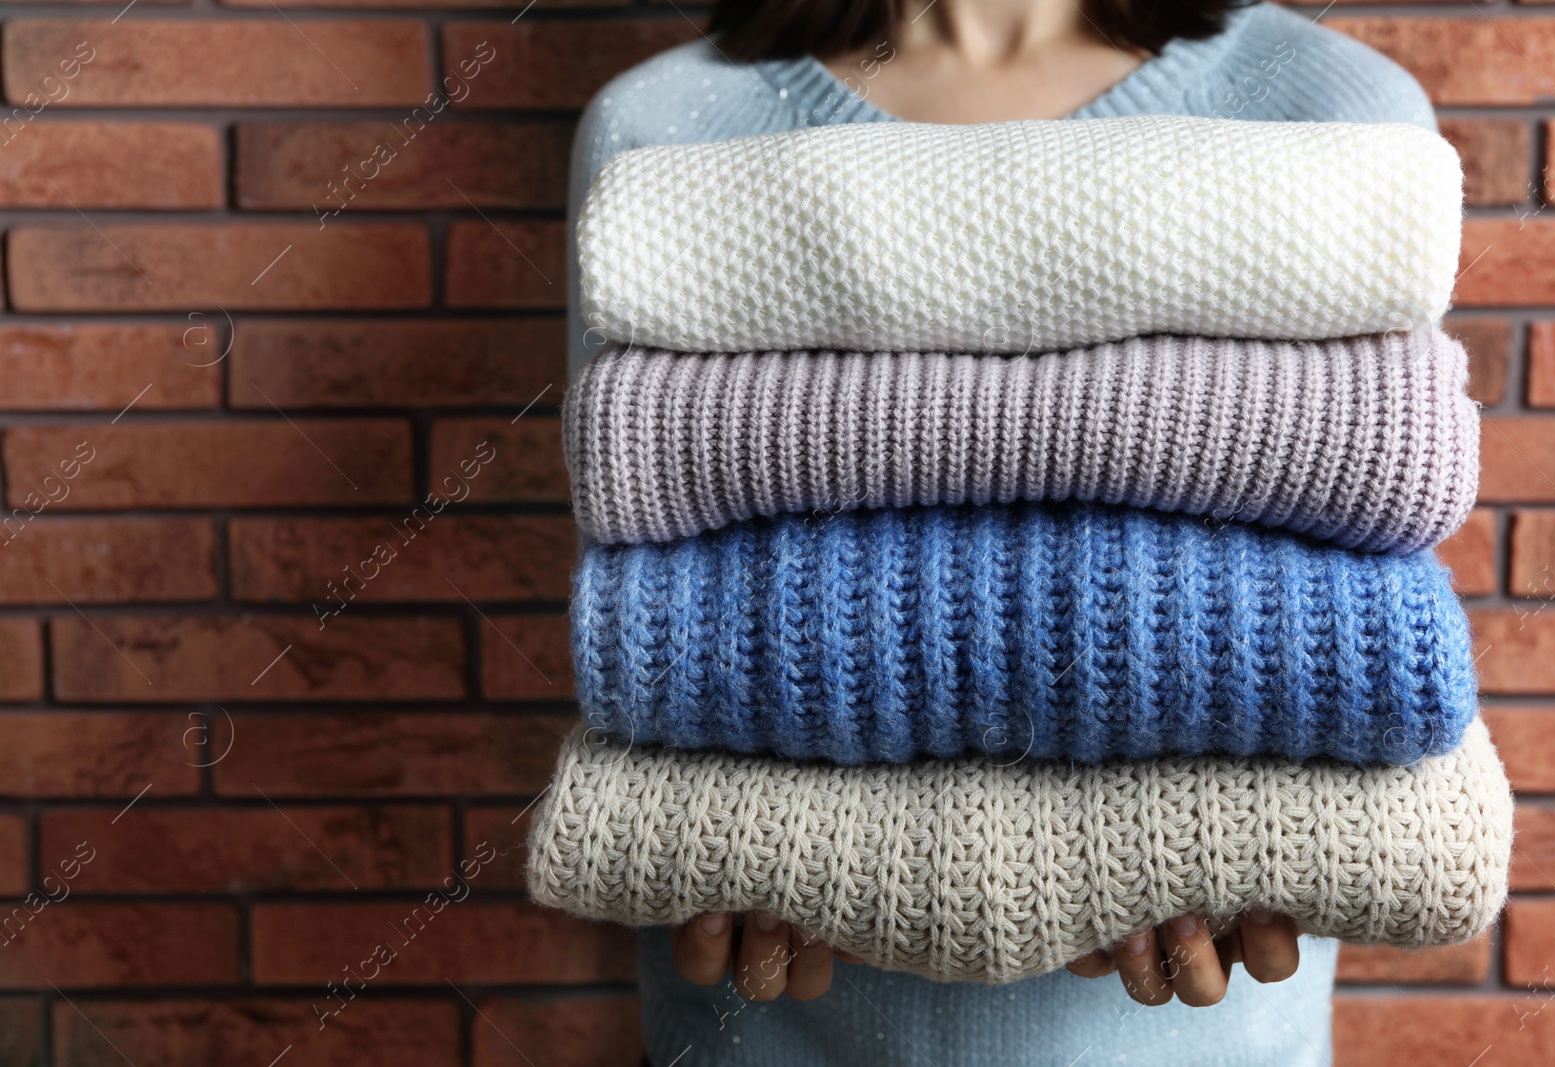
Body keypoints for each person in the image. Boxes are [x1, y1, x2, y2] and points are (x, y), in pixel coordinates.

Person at [564, 1, 1436, 1062]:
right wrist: (716, 851)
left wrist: (1247, 854)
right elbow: (657, 553)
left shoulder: (1333, 110)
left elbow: (1355, 541)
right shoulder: (665, 128)